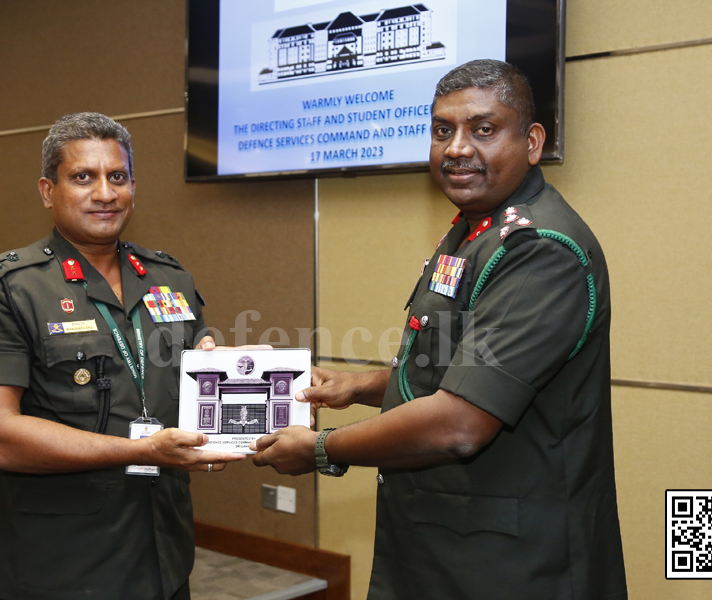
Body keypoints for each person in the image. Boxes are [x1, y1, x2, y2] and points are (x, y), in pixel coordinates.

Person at [251, 60, 628, 599]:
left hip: (510, 564)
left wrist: (320, 448)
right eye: (442, 130)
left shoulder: (538, 250)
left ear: (532, 141)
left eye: (483, 129)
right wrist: (358, 387)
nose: (456, 148)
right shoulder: (475, 231)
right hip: (443, 546)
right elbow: (456, 372)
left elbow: (459, 422)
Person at [0, 112, 245, 600]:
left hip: (162, 549)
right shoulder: (6, 286)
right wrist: (142, 451)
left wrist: (238, 374)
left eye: (118, 177)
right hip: (56, 561)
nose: (105, 193)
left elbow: (196, 380)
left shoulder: (169, 278)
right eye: (83, 177)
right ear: (48, 191)